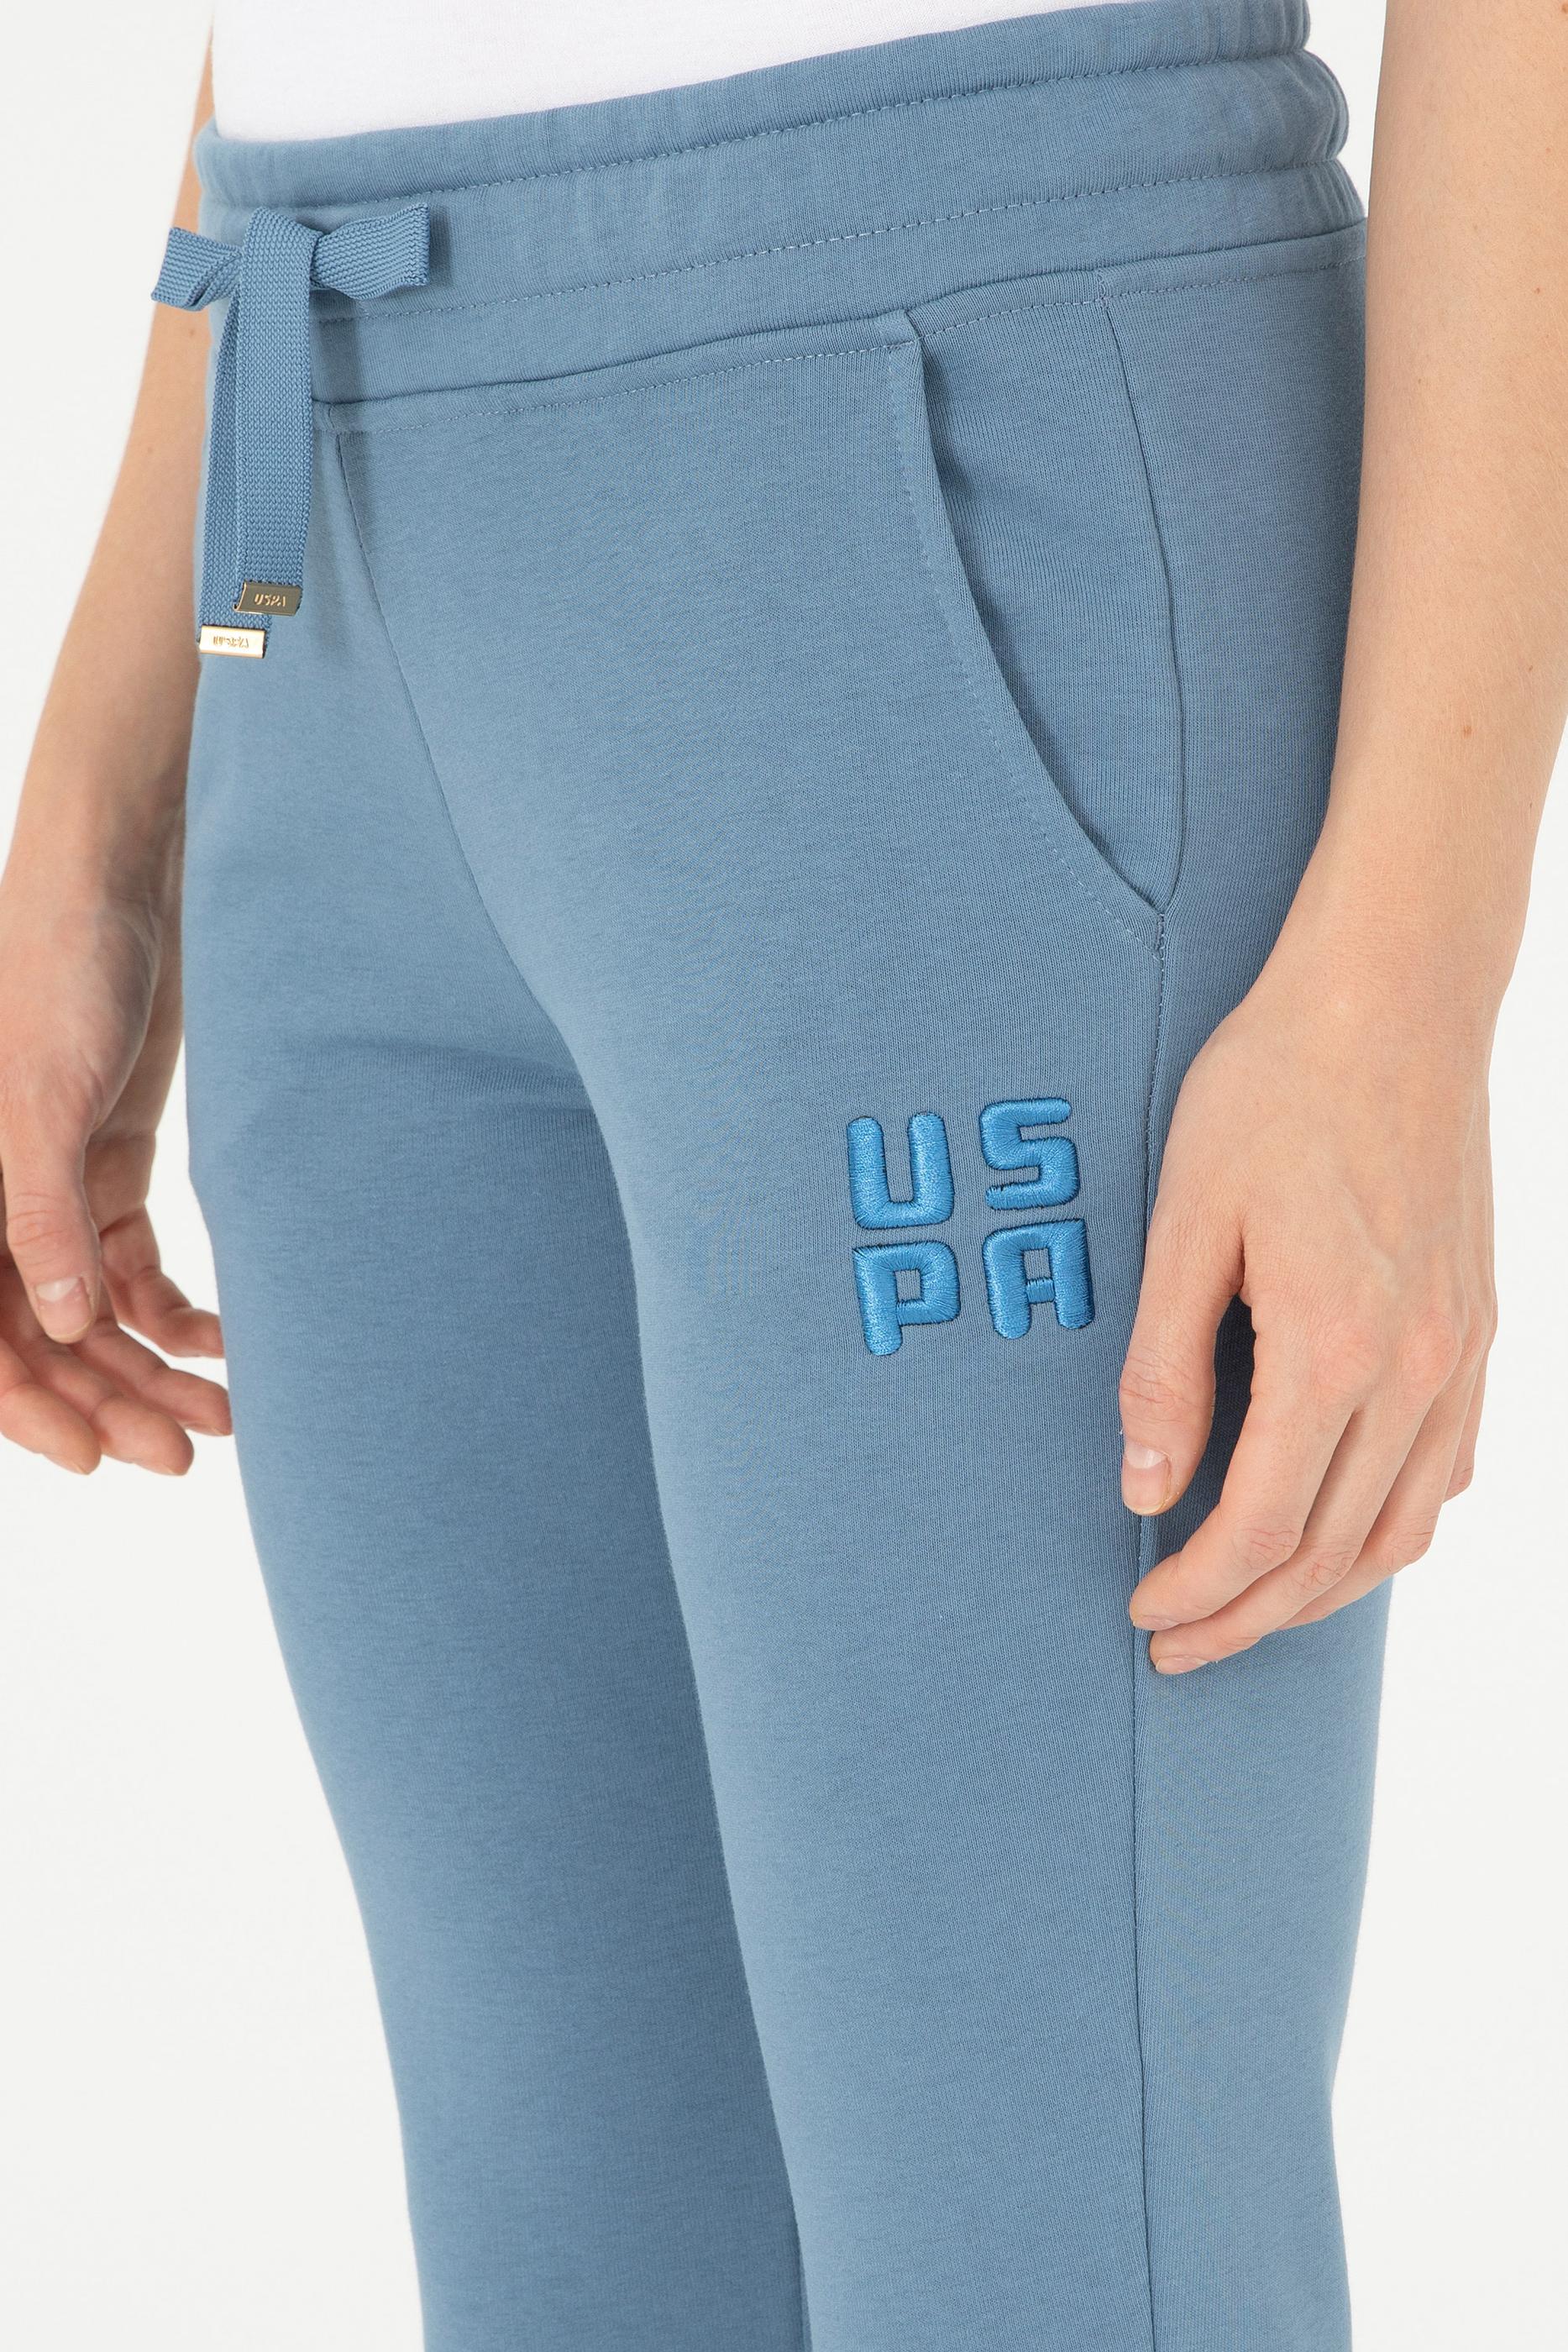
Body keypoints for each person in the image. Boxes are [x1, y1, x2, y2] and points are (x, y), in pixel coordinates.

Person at [2, 2, 1563, 2346]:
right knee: (581, 2263)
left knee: (1044, 2262)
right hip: (305, 499)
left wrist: (1404, 978)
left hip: (925, 428)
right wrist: (94, 813)